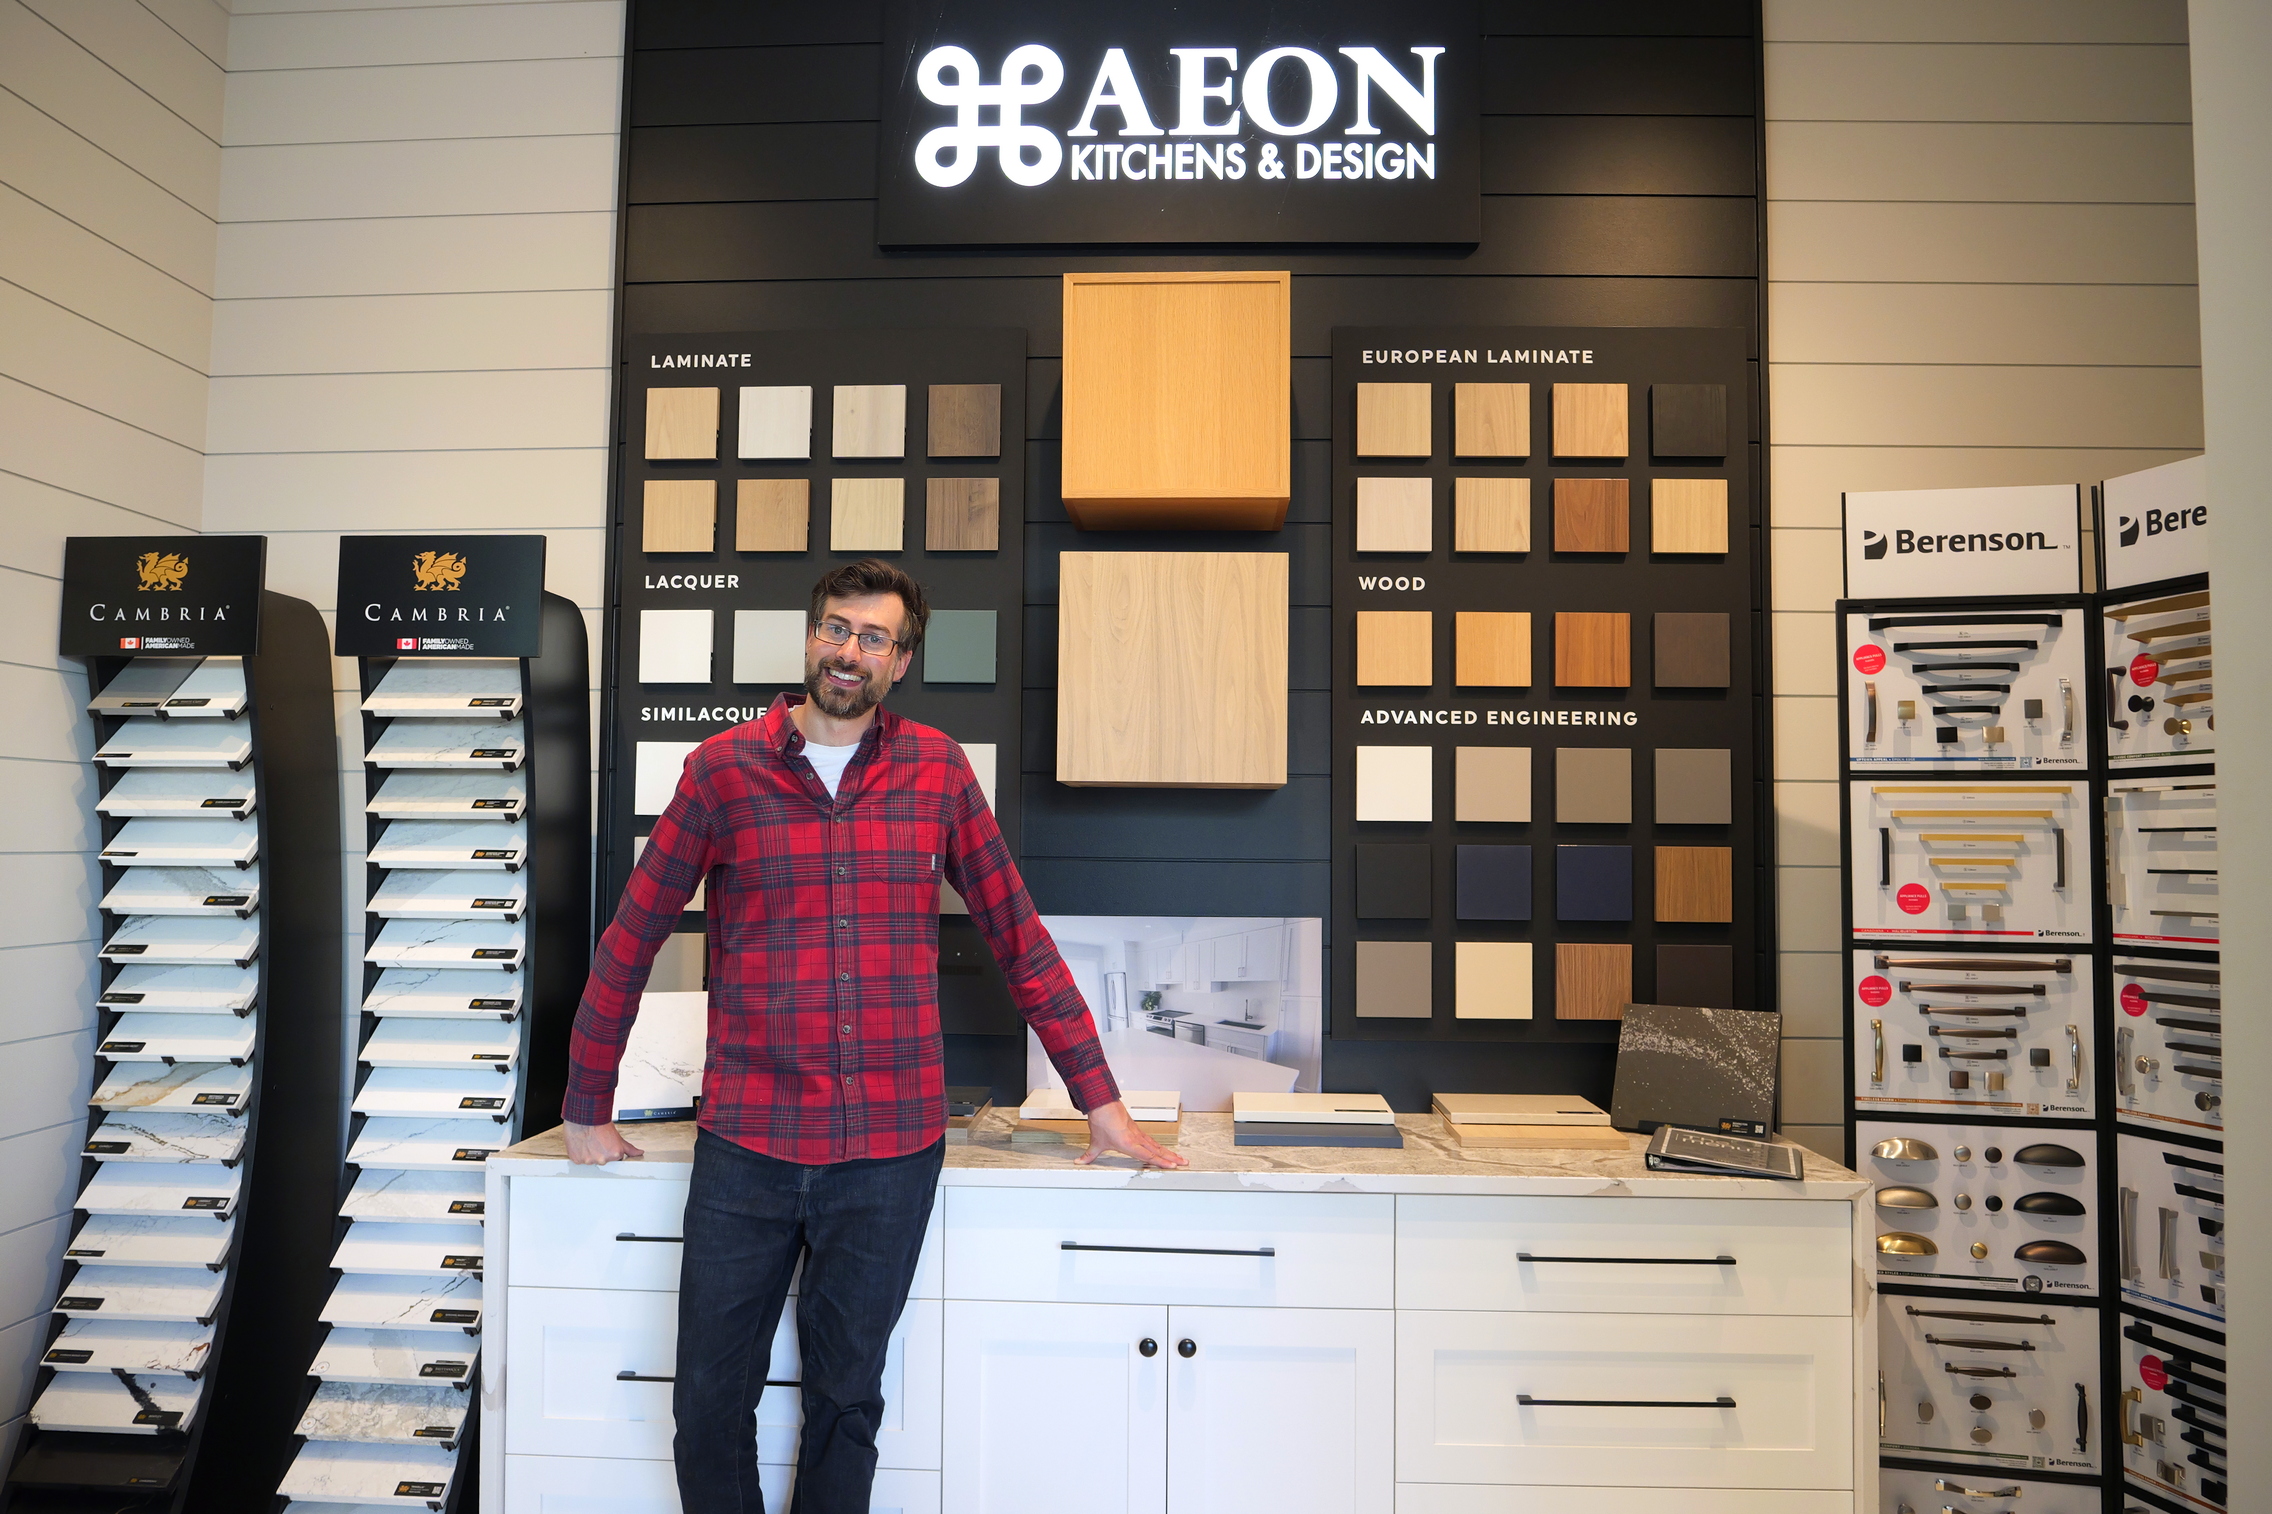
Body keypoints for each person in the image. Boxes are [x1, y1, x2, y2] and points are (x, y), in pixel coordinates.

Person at [558, 558, 1183, 1513]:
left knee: (848, 1404)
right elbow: (631, 936)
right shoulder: (722, 770)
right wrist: (585, 1103)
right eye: (836, 629)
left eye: (874, 637)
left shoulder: (937, 770)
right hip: (748, 1147)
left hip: (889, 1152)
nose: (850, 651)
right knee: (707, 1406)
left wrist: (1102, 1106)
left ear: (901, 659)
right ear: (811, 637)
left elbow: (1019, 937)